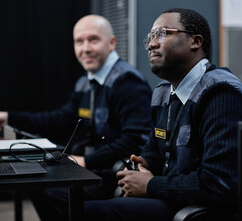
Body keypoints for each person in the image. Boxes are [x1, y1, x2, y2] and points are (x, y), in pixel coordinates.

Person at [84, 8, 242, 221]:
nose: (151, 44)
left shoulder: (221, 93)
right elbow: (155, 149)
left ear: (195, 41)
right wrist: (144, 163)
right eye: (149, 38)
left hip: (204, 210)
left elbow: (219, 182)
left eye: (161, 34)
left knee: (85, 211)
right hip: (173, 199)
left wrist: (150, 185)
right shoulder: (163, 92)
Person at [0, 14, 153, 220]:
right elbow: (59, 120)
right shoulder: (85, 82)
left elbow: (135, 139)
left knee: (51, 193)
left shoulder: (127, 82)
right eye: (79, 41)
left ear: (112, 43)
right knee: (39, 186)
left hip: (115, 175)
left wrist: (87, 161)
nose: (85, 48)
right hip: (91, 169)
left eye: (93, 39)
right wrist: (9, 118)